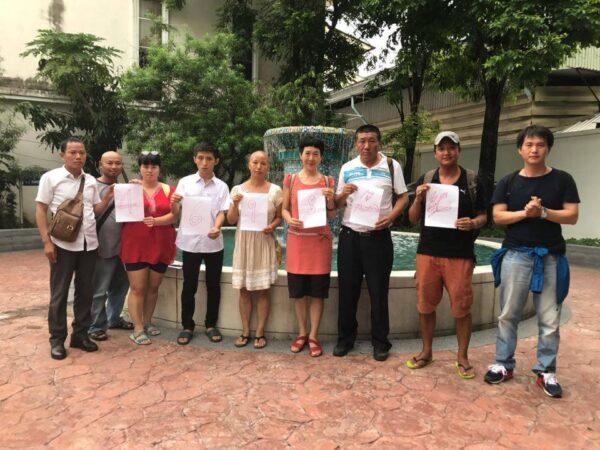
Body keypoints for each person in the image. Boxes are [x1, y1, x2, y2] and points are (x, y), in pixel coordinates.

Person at [484, 125, 579, 398]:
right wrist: (526, 214)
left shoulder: (562, 180)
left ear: (548, 148)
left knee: (550, 318)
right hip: (516, 254)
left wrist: (544, 212)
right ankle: (503, 364)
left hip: (550, 256)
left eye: (540, 144)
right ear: (520, 149)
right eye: (529, 145)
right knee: (508, 314)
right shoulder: (509, 182)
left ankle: (546, 370)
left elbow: (571, 215)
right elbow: (498, 218)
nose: (534, 149)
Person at [406, 131, 487, 378]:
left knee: (461, 307)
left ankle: (462, 357)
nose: (446, 152)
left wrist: (472, 223)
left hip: (459, 254)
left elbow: (485, 216)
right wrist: (418, 198)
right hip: (428, 252)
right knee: (425, 304)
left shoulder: (471, 180)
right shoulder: (427, 179)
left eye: (451, 147)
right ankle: (426, 351)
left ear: (459, 150)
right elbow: (412, 219)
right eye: (441, 148)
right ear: (435, 153)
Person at [333, 124, 409, 361]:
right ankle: (345, 339)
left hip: (378, 238)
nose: (366, 146)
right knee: (347, 291)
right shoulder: (347, 168)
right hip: (350, 237)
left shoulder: (391, 165)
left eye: (371, 140)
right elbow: (336, 204)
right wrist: (342, 194)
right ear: (356, 144)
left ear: (379, 142)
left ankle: (380, 342)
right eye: (362, 141)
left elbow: (403, 197)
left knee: (379, 292)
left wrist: (391, 217)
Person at [35, 137, 114, 360]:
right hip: (62, 245)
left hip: (89, 245)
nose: (78, 156)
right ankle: (57, 339)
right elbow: (41, 210)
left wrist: (107, 197)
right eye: (72, 152)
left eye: (81, 152)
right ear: (62, 155)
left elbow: (94, 211)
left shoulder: (89, 180)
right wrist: (46, 242)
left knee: (86, 292)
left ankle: (80, 335)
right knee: (59, 293)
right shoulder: (51, 178)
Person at [170, 142, 230, 345]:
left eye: (209, 158)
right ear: (195, 159)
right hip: (191, 243)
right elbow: (176, 213)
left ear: (216, 161)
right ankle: (187, 325)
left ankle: (211, 324)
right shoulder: (185, 183)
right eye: (201, 158)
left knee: (214, 285)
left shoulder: (222, 186)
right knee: (189, 285)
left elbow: (222, 211)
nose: (205, 163)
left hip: (213, 243)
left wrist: (218, 227)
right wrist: (173, 202)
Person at [282, 136, 336, 357]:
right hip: (297, 242)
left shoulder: (328, 182)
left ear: (320, 157)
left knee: (317, 293)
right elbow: (284, 209)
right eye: (307, 153)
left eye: (315, 153)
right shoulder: (291, 180)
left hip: (319, 243)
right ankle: (302, 333)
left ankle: (313, 335)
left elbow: (331, 215)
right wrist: (288, 219)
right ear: (300, 155)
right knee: (299, 293)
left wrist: (330, 199)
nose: (311, 157)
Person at [227, 150, 282, 349]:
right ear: (249, 165)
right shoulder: (237, 190)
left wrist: (273, 225)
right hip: (244, 243)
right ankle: (245, 331)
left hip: (264, 242)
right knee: (243, 289)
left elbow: (279, 216)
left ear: (268, 167)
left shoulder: (275, 190)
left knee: (263, 289)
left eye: (263, 163)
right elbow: (231, 220)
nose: (259, 167)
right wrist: (234, 204)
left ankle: (260, 332)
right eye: (255, 162)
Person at [120, 151, 177, 345]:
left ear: (159, 169)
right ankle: (137, 328)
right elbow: (122, 212)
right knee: (137, 288)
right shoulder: (131, 188)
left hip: (161, 244)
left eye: (154, 166)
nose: (150, 170)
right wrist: (128, 190)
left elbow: (174, 216)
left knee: (153, 288)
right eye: (146, 166)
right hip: (135, 243)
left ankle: (147, 321)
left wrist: (157, 220)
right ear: (140, 168)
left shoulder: (169, 190)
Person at [88, 151, 133, 342]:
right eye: (109, 163)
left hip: (123, 249)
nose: (114, 167)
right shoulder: (91, 186)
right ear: (100, 164)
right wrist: (92, 242)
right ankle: (95, 326)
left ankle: (114, 319)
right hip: (101, 247)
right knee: (99, 290)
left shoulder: (125, 188)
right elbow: (88, 216)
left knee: (120, 287)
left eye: (117, 163)